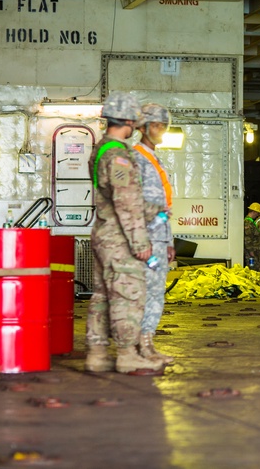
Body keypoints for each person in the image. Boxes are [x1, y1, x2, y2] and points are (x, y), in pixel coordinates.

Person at [85, 91, 164, 375]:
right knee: (128, 293)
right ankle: (128, 354)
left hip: (102, 232)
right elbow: (126, 201)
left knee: (103, 296)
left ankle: (96, 354)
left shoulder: (100, 149)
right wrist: (140, 242)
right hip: (119, 237)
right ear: (129, 121)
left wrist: (153, 208)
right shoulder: (118, 156)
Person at [133, 103, 177, 365]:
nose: (161, 130)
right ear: (144, 127)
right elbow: (133, 204)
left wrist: (169, 241)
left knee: (156, 291)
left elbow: (164, 206)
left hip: (159, 237)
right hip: (146, 239)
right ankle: (142, 344)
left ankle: (146, 341)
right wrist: (143, 240)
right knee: (146, 292)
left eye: (163, 125)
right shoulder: (136, 158)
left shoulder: (154, 158)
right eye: (157, 125)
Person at [243, 202, 260, 276]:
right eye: (257, 213)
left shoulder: (251, 222)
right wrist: (251, 251)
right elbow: (247, 239)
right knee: (252, 271)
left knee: (255, 270)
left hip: (253, 251)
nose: (257, 215)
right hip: (250, 253)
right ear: (253, 212)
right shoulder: (247, 222)